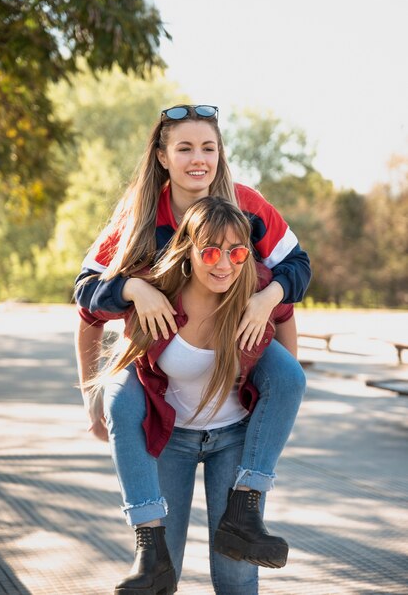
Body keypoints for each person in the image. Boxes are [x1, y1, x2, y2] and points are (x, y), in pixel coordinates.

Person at [74, 105, 310, 590]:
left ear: (220, 153)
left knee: (238, 577)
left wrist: (266, 298)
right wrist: (135, 289)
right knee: (164, 570)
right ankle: (149, 547)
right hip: (169, 417)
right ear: (162, 156)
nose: (198, 159)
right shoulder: (139, 217)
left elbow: (298, 268)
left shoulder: (246, 205)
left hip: (234, 415)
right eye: (184, 148)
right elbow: (86, 292)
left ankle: (246, 511)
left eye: (209, 147)